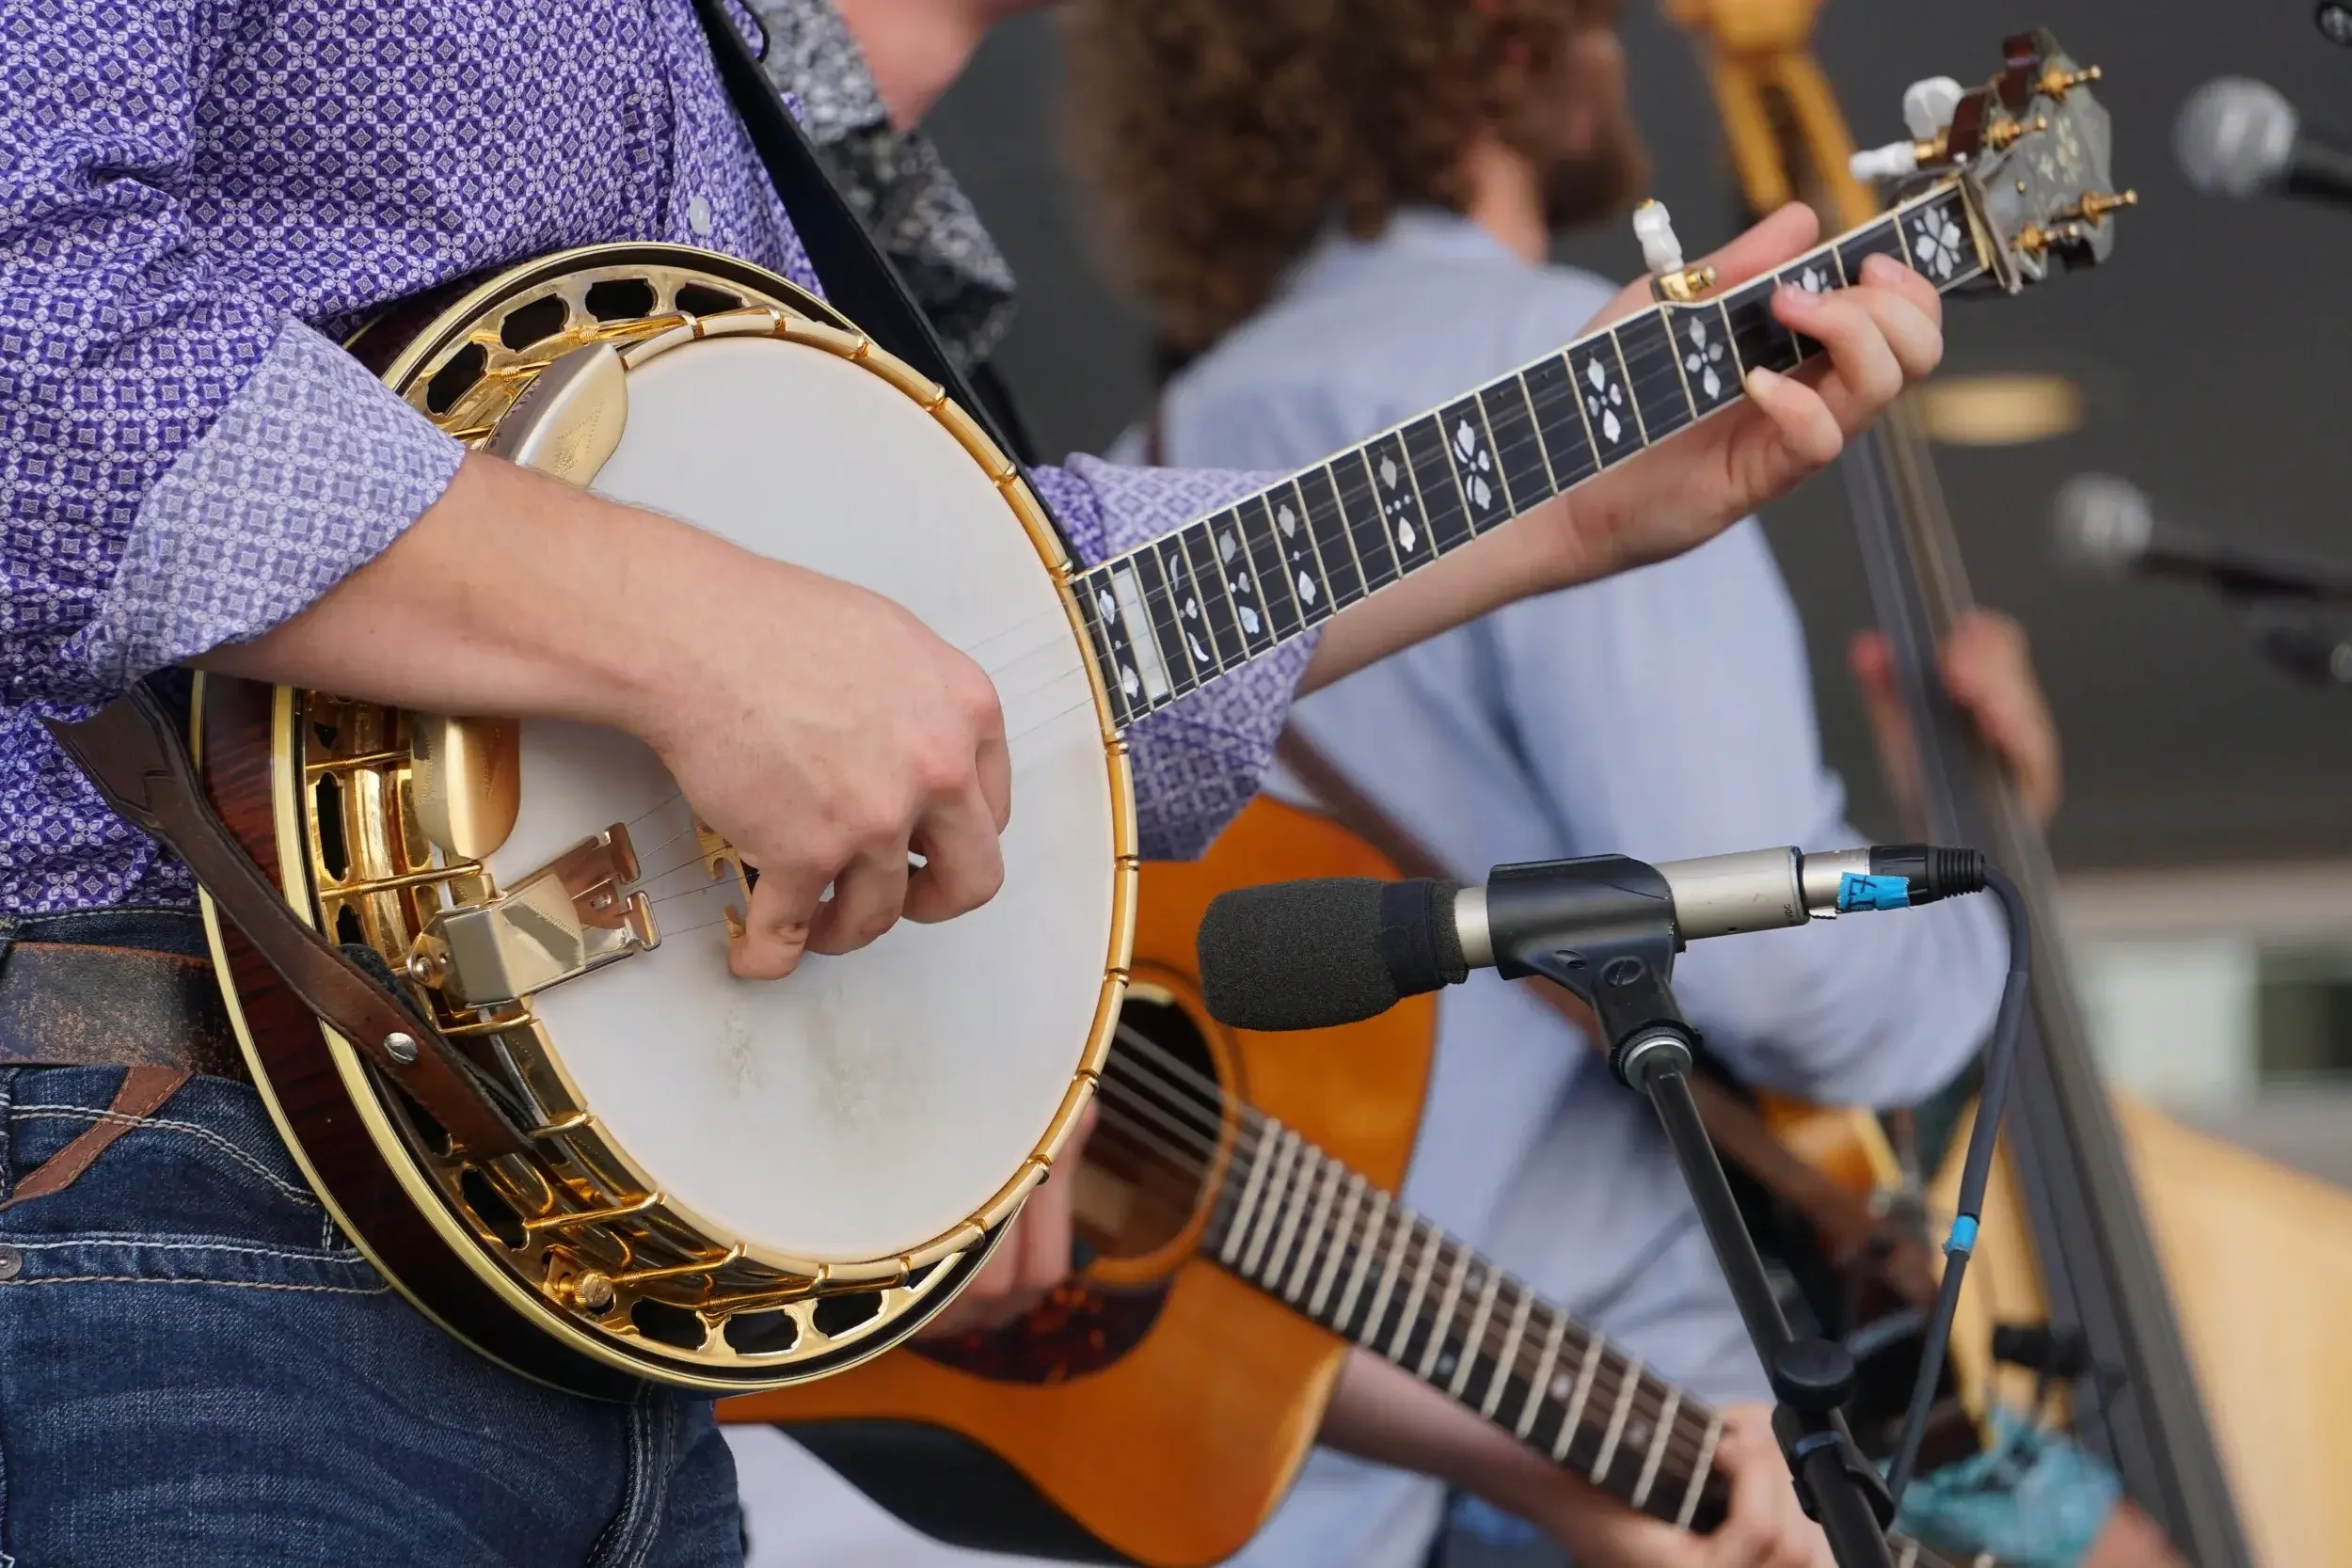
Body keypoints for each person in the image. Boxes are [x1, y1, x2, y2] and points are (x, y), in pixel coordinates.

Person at [0, 0, 1941, 1561]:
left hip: (588, 1323)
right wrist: (699, 636)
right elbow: (30, 339)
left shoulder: (737, 69)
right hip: (175, 1169)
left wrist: (1552, 506)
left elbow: (966, 640)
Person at [1054, 3, 2185, 1566]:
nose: (1619, 51)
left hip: (1290, 1443)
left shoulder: (1153, 463)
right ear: (1500, 45)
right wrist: (1977, 892)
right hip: (1635, 1418)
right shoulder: (1568, 372)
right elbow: (1783, 966)